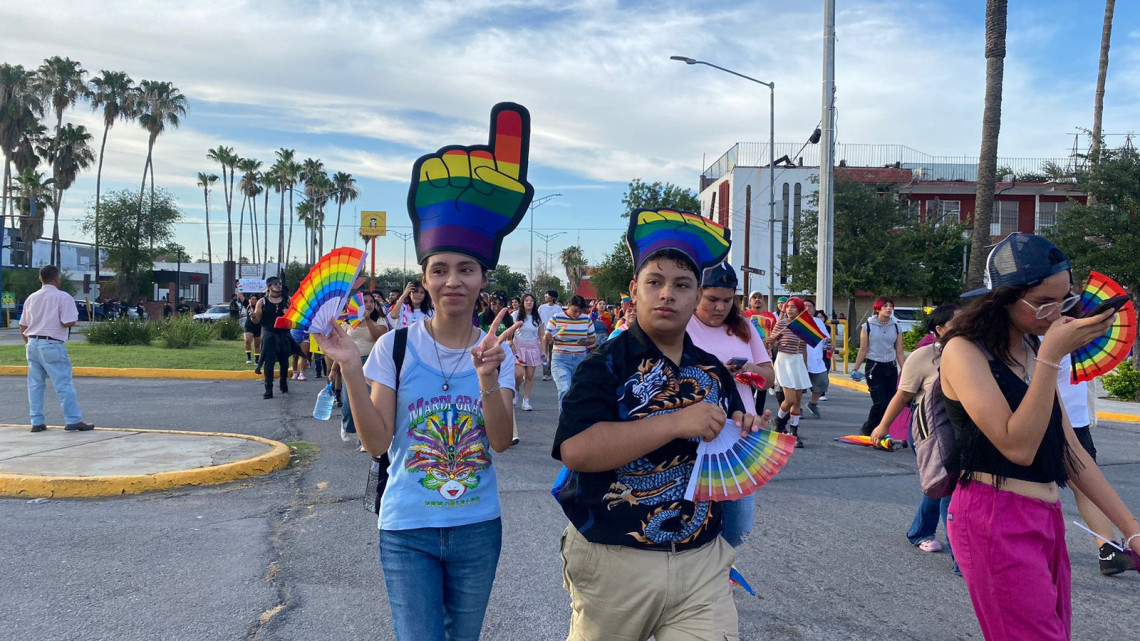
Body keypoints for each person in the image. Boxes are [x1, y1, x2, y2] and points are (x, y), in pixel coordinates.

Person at [318, 101, 528, 641]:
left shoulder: (493, 349)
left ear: (484, 279)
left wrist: (487, 377)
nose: (453, 280)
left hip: (478, 527)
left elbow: (501, 443)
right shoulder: (396, 345)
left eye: (466, 270)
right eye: (440, 270)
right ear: (424, 281)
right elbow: (375, 442)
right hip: (407, 525)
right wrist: (350, 367)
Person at [553, 208, 766, 641]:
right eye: (655, 282)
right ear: (634, 290)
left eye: (682, 285)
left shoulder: (712, 369)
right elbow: (576, 449)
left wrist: (741, 426)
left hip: (702, 564)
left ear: (696, 298)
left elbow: (723, 446)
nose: (667, 294)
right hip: (614, 561)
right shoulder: (605, 364)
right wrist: (675, 422)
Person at [939, 233, 1140, 640]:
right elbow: (1018, 446)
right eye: (1043, 303)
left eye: (1063, 300)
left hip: (1044, 520)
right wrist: (1052, 356)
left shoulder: (1031, 348)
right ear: (1004, 299)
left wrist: (1132, 529)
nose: (1055, 315)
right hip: (993, 516)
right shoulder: (963, 352)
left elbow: (1073, 453)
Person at [686, 261, 775, 548]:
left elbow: (770, 378)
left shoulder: (744, 327)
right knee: (693, 520)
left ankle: (720, 573)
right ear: (698, 293)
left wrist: (748, 367)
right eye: (712, 299)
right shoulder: (683, 325)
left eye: (727, 300)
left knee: (738, 526)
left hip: (741, 434)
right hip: (696, 434)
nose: (719, 307)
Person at [869, 304, 961, 572]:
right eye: (958, 321)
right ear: (940, 329)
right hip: (931, 432)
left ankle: (919, 531)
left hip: (963, 430)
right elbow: (903, 395)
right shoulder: (924, 357)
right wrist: (882, 426)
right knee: (948, 487)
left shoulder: (976, 352)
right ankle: (961, 559)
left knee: (940, 483)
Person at [1053, 318, 1136, 576]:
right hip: (1050, 419)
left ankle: (1109, 549)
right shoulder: (1044, 335)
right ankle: (1107, 548)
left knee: (1085, 487)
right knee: (1076, 488)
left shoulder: (1067, 333)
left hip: (1073, 421)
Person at [19, 265, 93, 432]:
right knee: (63, 383)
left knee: (35, 384)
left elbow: (23, 325)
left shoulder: (31, 297)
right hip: (52, 344)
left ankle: (36, 421)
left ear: (41, 278)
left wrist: (28, 342)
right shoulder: (63, 297)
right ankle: (73, 419)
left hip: (32, 344)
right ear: (57, 278)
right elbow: (69, 321)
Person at [339, 293, 388, 446]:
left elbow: (379, 338)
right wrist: (334, 368)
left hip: (371, 362)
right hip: (350, 364)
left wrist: (367, 320)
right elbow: (341, 346)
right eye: (364, 301)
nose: (368, 304)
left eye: (371, 301)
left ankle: (364, 436)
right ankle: (348, 426)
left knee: (367, 402)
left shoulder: (379, 320)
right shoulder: (347, 323)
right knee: (348, 403)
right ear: (355, 304)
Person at [852, 296, 906, 436]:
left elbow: (899, 351)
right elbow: (863, 349)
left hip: (891, 367)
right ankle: (868, 430)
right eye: (885, 306)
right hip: (874, 367)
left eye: (891, 306)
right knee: (879, 403)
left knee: (889, 404)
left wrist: (905, 370)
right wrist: (855, 368)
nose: (889, 308)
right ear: (877, 308)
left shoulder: (896, 326)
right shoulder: (867, 326)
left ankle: (882, 431)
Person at [766, 296, 811, 447]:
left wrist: (804, 366)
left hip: (798, 361)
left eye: (793, 306)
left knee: (798, 400)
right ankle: (778, 421)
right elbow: (771, 341)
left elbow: (804, 348)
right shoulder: (782, 323)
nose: (789, 309)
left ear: (799, 309)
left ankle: (794, 431)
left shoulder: (804, 326)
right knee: (790, 399)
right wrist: (771, 341)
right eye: (788, 306)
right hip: (784, 360)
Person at [544, 294, 595, 412]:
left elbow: (592, 338)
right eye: (575, 311)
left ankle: (574, 419)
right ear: (568, 306)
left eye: (580, 311)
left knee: (577, 391)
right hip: (561, 359)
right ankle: (564, 421)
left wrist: (587, 341)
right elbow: (547, 335)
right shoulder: (556, 318)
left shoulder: (586, 320)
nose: (577, 314)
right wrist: (548, 337)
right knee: (564, 389)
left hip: (580, 359)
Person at [250, 277, 291, 399]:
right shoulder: (262, 301)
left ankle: (283, 383)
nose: (278, 285)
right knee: (269, 363)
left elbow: (294, 318)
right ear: (269, 287)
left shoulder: (287, 300)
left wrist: (288, 313)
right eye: (275, 284)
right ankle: (268, 389)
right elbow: (257, 320)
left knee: (284, 362)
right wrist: (252, 316)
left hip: (284, 334)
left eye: (279, 283)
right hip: (269, 335)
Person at [512, 292, 543, 412]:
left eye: (531, 301)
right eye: (526, 300)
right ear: (522, 303)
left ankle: (526, 400)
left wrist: (543, 351)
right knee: (518, 374)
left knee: (529, 376)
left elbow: (541, 335)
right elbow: (510, 332)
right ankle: (515, 390)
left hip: (533, 349)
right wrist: (511, 343)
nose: (529, 302)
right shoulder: (515, 315)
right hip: (518, 348)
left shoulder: (538, 317)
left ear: (534, 303)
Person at [802, 300, 830, 419]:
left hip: (816, 360)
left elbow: (825, 338)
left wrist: (829, 343)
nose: (807, 308)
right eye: (805, 306)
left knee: (823, 383)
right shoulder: (796, 322)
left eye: (810, 306)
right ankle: (797, 409)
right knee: (799, 388)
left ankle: (812, 404)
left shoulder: (818, 321)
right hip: (800, 360)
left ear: (814, 309)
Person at [537, 290, 561, 381]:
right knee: (544, 354)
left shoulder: (558, 308)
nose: (545, 297)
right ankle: (544, 372)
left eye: (547, 296)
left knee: (552, 354)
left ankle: (550, 372)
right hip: (543, 334)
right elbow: (538, 320)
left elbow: (560, 322)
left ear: (552, 298)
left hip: (554, 334)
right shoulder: (541, 307)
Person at [243, 294, 262, 366]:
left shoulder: (260, 306)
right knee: (247, 340)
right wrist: (239, 286)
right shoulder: (248, 305)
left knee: (257, 344)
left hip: (258, 326)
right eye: (252, 299)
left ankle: (257, 360)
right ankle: (248, 358)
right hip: (249, 326)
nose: (254, 300)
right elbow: (240, 296)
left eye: (255, 299)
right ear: (250, 300)